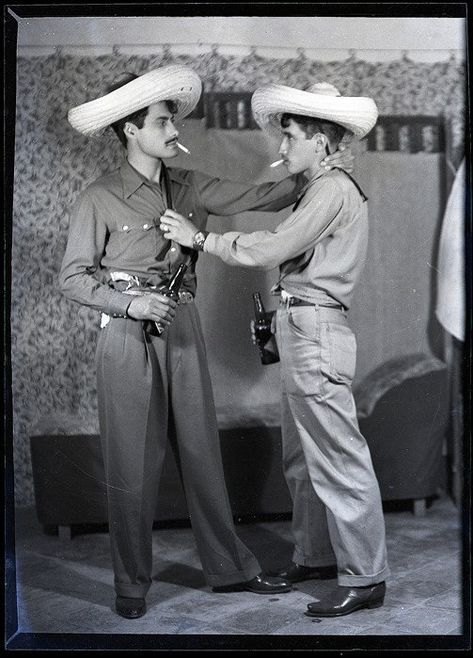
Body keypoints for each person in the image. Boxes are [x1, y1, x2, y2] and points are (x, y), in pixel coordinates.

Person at [59, 65, 352, 620]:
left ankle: (230, 570)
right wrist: (130, 303)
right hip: (126, 335)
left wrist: (318, 161)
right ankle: (131, 585)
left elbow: (265, 195)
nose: (174, 130)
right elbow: (72, 278)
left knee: (201, 453)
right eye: (163, 121)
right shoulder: (98, 198)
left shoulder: (190, 187)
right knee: (131, 464)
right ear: (131, 130)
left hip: (183, 327)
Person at [160, 80, 390, 618]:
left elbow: (275, 247)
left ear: (322, 141)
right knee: (302, 460)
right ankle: (314, 556)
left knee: (336, 459)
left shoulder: (333, 188)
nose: (280, 149)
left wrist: (201, 239)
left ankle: (367, 577)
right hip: (300, 327)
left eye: (289, 137)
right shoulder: (318, 188)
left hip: (315, 329)